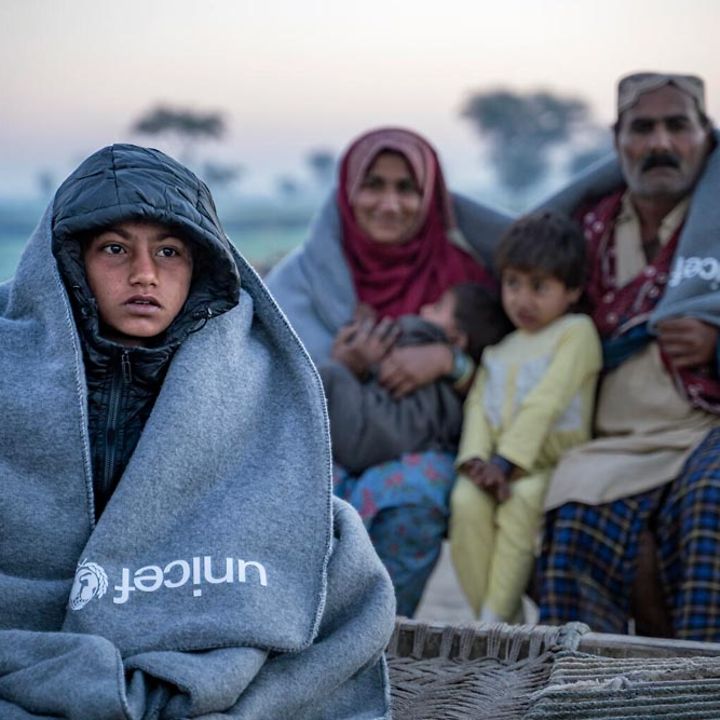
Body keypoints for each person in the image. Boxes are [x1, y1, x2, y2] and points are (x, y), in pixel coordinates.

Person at [0, 144, 396, 719]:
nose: (144, 273)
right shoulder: (12, 356)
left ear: (202, 264)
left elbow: (269, 516)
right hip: (32, 619)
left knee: (341, 544)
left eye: (169, 251)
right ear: (69, 260)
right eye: (114, 248)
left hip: (195, 602)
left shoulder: (248, 373)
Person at [266, 127, 511, 615]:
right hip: (322, 446)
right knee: (301, 500)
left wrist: (449, 361)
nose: (390, 203)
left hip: (427, 447)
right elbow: (267, 380)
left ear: (432, 197)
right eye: (374, 184)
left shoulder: (464, 281)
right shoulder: (300, 279)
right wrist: (342, 368)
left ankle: (383, 641)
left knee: (410, 496)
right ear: (347, 191)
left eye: (407, 188)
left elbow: (510, 383)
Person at [536, 72, 720, 641]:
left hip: (703, 428)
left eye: (677, 125)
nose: (660, 143)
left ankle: (698, 693)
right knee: (572, 526)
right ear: (618, 140)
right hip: (611, 440)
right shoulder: (585, 230)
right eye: (643, 127)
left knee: (711, 506)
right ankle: (584, 696)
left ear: (704, 135)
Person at [449, 212, 601, 623]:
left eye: (539, 287)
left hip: (555, 464)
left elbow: (548, 401)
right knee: (464, 502)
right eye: (513, 284)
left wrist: (508, 462)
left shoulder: (576, 332)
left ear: (571, 291)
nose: (522, 300)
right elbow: (479, 406)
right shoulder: (499, 350)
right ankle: (503, 622)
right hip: (496, 466)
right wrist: (476, 460)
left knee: (522, 502)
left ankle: (491, 625)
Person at [320, 283, 512, 475]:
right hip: (389, 444)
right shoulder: (463, 399)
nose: (424, 309)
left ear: (456, 339)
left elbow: (379, 354)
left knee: (327, 375)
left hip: (369, 430)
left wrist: (362, 329)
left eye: (437, 308)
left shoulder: (420, 334)